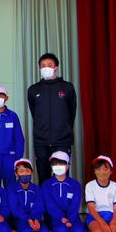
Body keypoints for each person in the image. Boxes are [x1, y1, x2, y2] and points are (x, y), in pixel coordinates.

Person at [27, 52, 77, 185]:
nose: (46, 68)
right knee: (43, 177)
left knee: (61, 176)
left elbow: (71, 113)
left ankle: (62, 199)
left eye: (49, 65)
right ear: (39, 68)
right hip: (41, 142)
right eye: (43, 65)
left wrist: (64, 130)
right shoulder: (33, 90)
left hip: (62, 140)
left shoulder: (67, 88)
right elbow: (34, 113)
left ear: (56, 68)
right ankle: (45, 200)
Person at [42, 151, 86, 232]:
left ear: (68, 166)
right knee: (60, 231)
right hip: (55, 217)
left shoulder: (75, 184)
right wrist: (61, 218)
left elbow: (76, 203)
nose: (58, 167)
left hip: (72, 217)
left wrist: (70, 218)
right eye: (55, 164)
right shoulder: (47, 184)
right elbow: (49, 205)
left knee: (79, 231)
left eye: (61, 164)